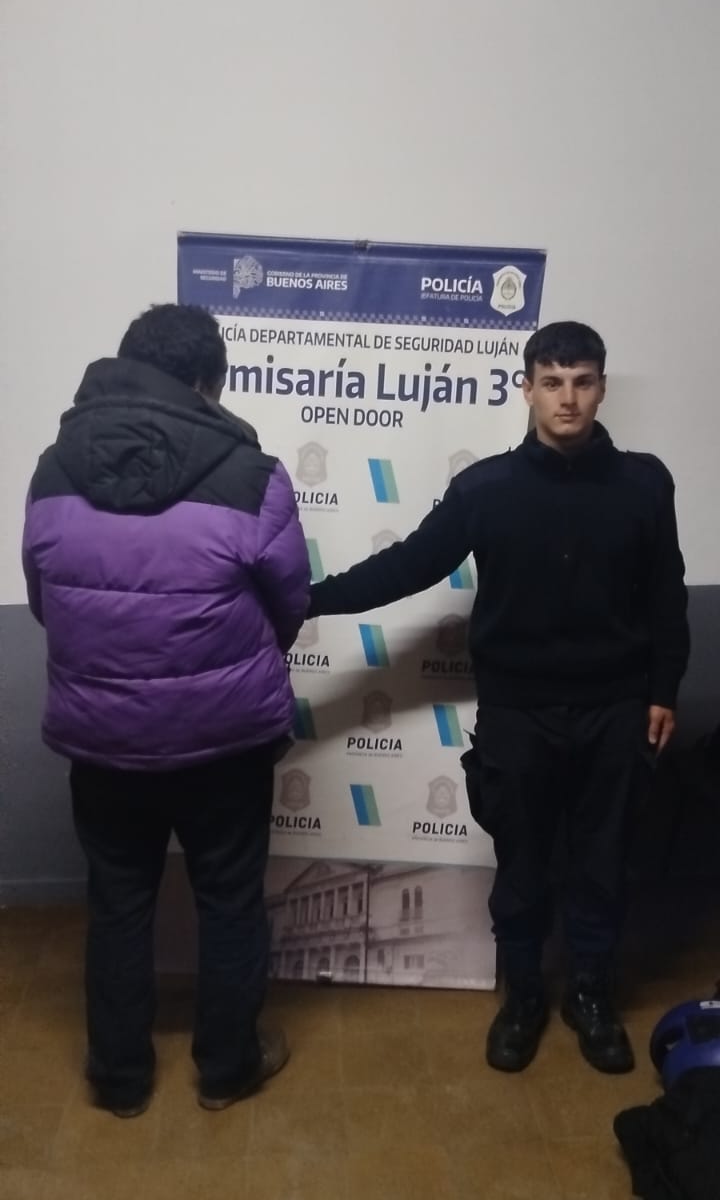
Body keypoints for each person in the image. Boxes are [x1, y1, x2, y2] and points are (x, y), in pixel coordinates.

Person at [309, 321, 690, 1074]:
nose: (568, 398)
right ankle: (523, 998)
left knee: (603, 861)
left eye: (582, 382)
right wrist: (309, 597)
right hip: (518, 711)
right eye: (552, 382)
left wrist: (663, 690)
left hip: (617, 708)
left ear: (601, 388)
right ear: (527, 389)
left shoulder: (646, 483)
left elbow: (665, 594)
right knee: (521, 865)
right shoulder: (485, 488)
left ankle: (590, 995)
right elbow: (408, 565)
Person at [22, 305, 311, 1116]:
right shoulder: (253, 475)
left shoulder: (52, 469)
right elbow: (289, 604)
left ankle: (119, 1079)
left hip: (103, 739)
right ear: (208, 383)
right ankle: (227, 1069)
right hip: (226, 741)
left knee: (118, 902)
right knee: (229, 901)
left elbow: (46, 598)